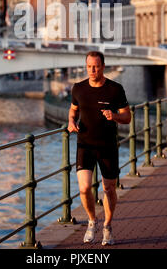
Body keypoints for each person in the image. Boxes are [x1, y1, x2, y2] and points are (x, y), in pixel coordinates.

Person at [68, 51, 131, 246]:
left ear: (103, 66)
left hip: (107, 146)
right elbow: (73, 108)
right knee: (85, 188)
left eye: (96, 66)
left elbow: (127, 118)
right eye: (89, 67)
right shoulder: (78, 88)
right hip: (84, 144)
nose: (92, 70)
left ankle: (108, 226)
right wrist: (71, 120)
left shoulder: (115, 89)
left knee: (109, 188)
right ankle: (92, 221)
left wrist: (114, 116)